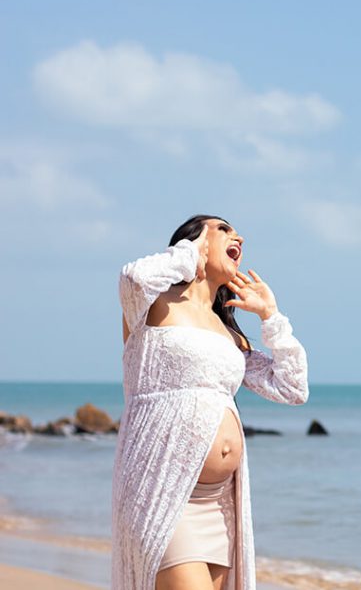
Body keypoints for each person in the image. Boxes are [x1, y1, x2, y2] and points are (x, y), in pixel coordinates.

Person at [112, 215, 309, 590]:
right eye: (224, 229)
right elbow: (133, 276)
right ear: (195, 241)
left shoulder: (228, 333)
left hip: (218, 506)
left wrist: (270, 316)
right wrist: (191, 251)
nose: (239, 236)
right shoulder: (153, 304)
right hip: (166, 494)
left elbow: (292, 387)